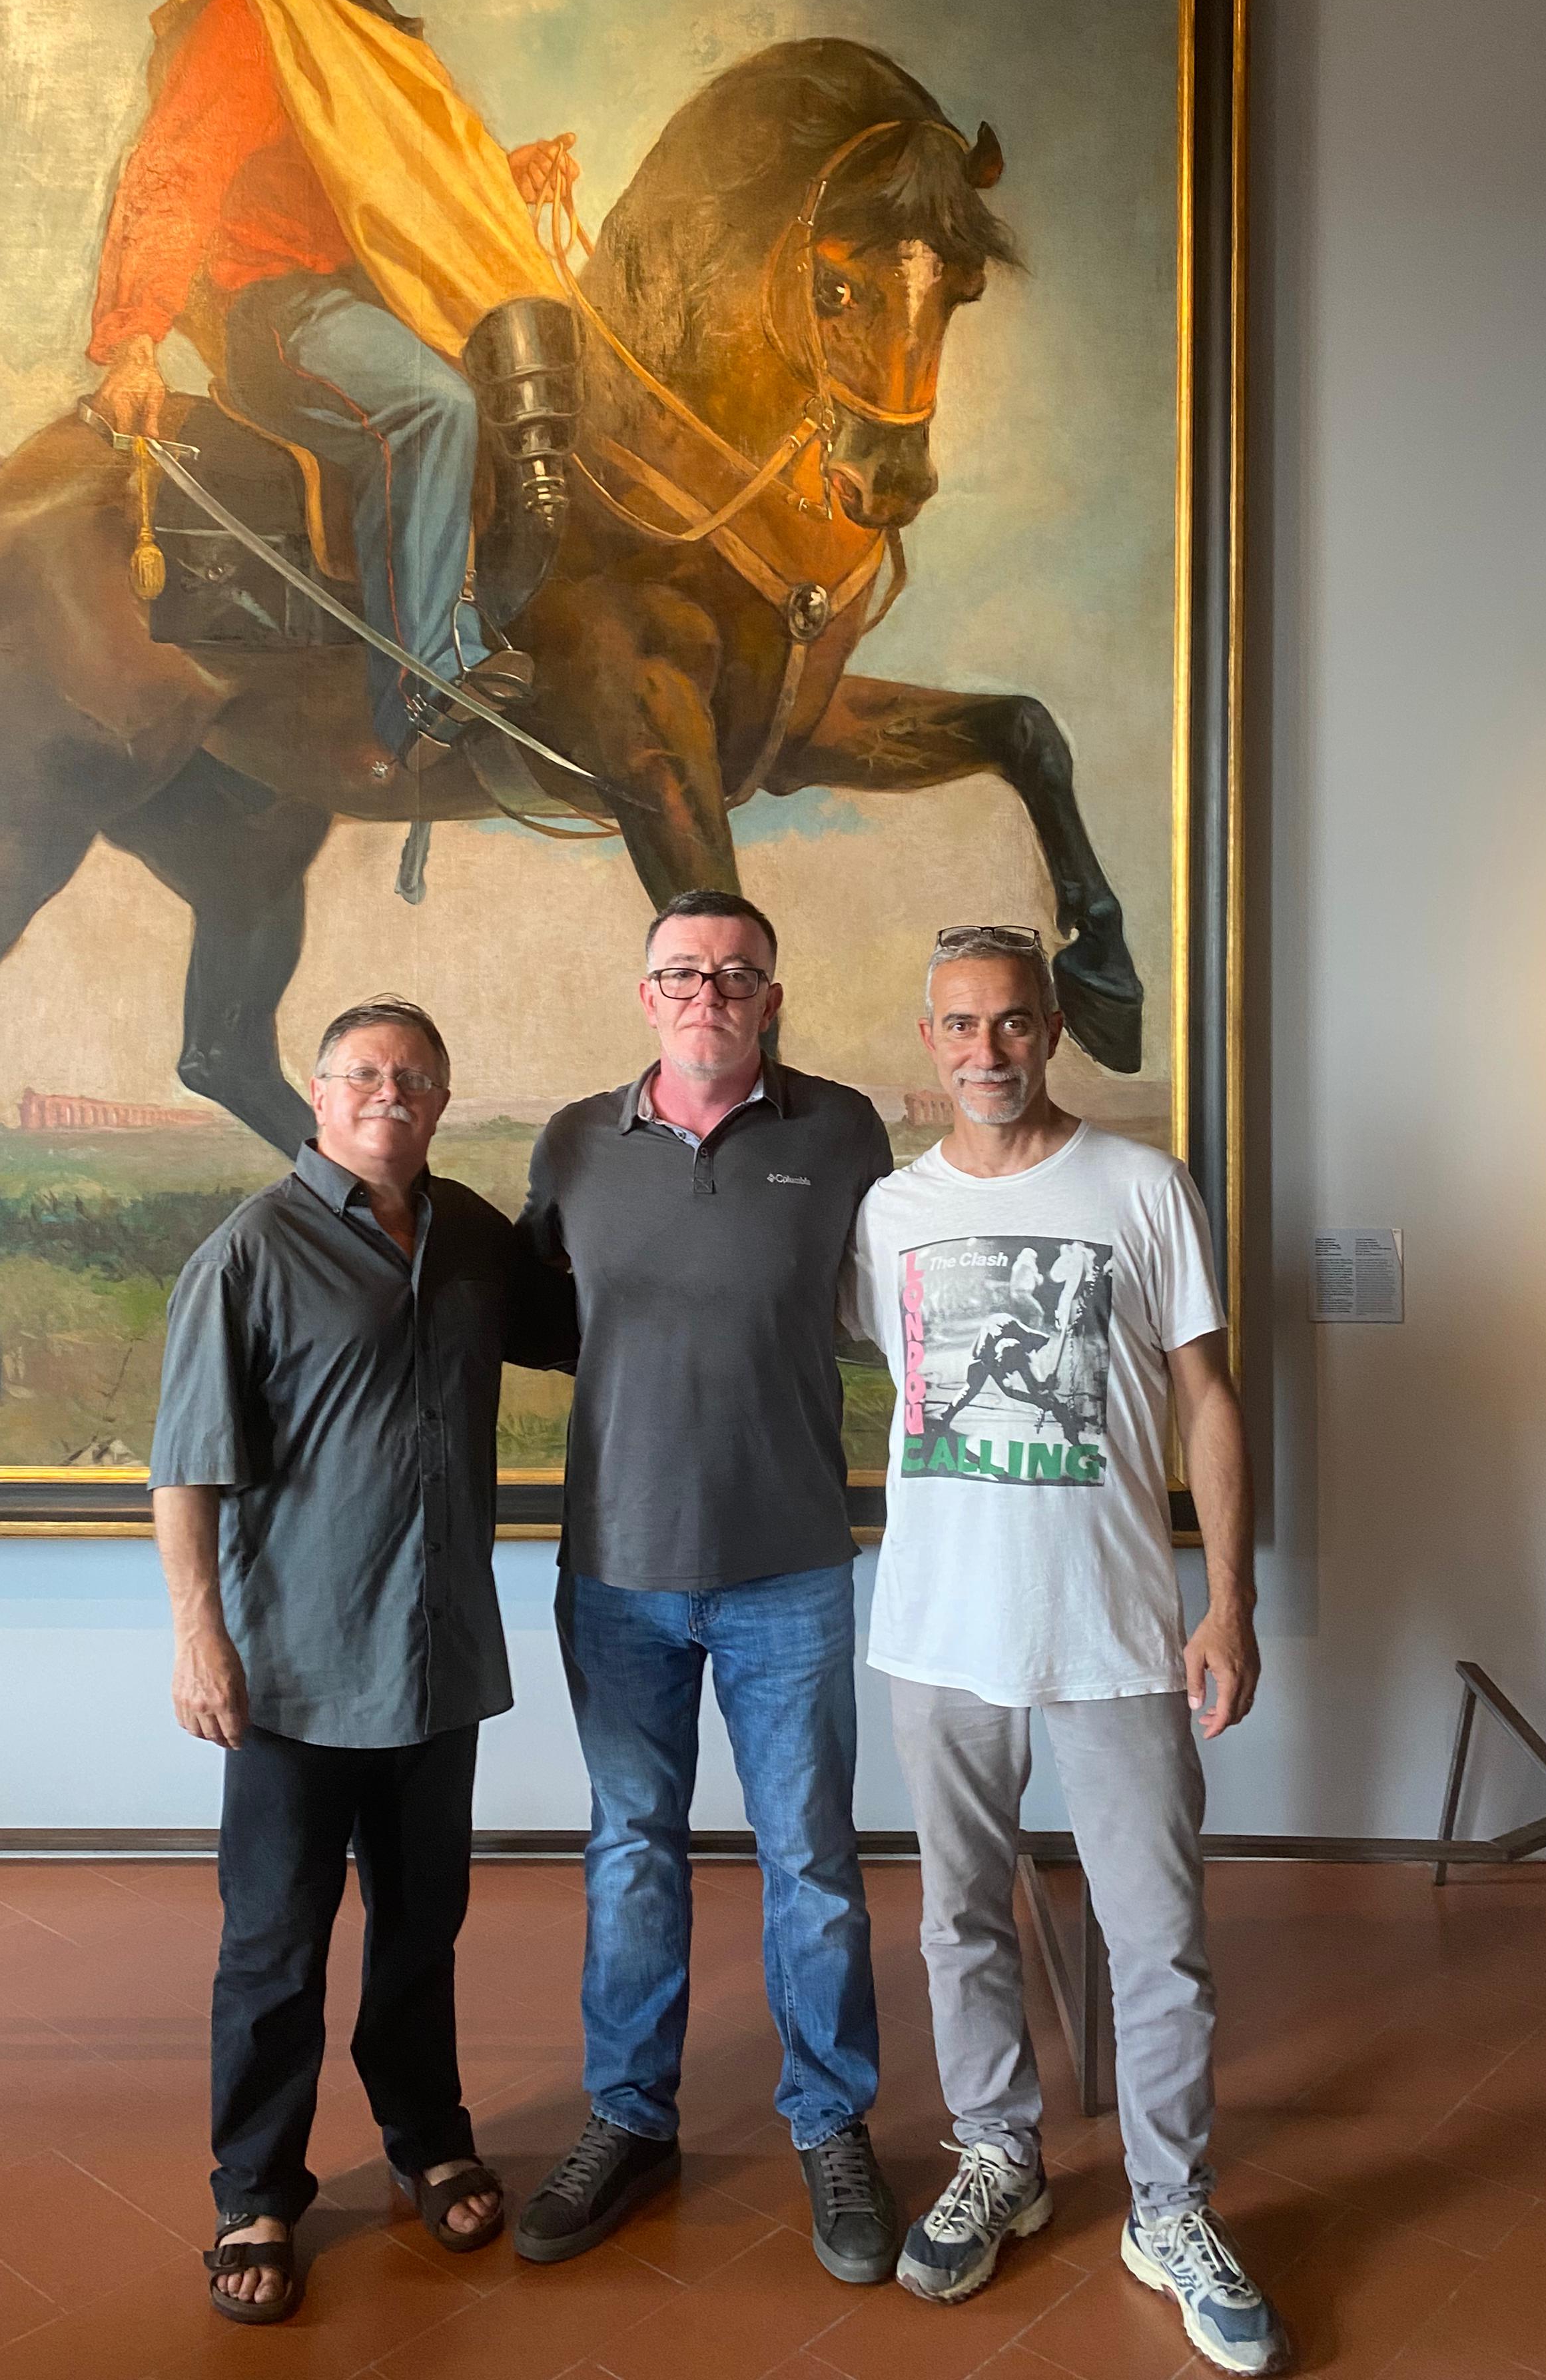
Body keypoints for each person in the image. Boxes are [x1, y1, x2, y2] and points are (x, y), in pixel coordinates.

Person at [843, 925, 1290, 2375]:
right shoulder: (888, 1211)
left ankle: (1170, 2206)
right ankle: (999, 2154)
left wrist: (1226, 1600)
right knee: (957, 1915)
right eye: (959, 1025)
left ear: (1050, 1029)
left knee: (1157, 1937)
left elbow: (1205, 1396)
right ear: (929, 1039)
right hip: (938, 1628)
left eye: (1012, 1023)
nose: (986, 1051)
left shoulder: (1140, 1187)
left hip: (1112, 1628)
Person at [147, 996, 578, 2325]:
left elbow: (588, 1325)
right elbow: (184, 1470)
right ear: (322, 1095)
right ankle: (255, 2190)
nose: (391, 1092)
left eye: (415, 1076)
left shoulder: (473, 1240)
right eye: (366, 1073)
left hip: (437, 1661)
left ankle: (427, 2137)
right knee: (274, 1945)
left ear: (440, 1100)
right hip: (294, 1669)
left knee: (421, 1927)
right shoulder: (250, 1251)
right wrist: (200, 1638)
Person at [513, 889, 902, 2283]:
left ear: (771, 999)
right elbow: (536, 1318)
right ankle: (629, 2115)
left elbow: (897, 1300)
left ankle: (831, 2121)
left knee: (811, 1859)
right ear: (646, 996)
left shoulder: (843, 1131)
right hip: (618, 1568)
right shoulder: (574, 1142)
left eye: (736, 975)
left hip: (789, 1561)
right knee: (631, 1848)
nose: (708, 994)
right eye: (682, 973)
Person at [89, 0, 581, 770]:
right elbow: (175, 169)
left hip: (375, 307)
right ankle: (425, 688)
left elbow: (400, 190)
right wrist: (135, 337)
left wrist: (503, 176)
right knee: (433, 407)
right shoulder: (254, 9)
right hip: (284, 313)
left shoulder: (379, 33)